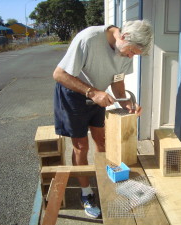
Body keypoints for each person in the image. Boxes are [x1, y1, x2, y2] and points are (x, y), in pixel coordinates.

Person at [53, 20, 153, 218]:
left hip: (98, 94)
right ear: (123, 37)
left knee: (101, 140)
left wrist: (127, 103)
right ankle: (86, 193)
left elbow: (117, 81)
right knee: (81, 146)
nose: (131, 57)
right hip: (73, 93)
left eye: (134, 55)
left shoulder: (126, 48)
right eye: (131, 52)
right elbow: (59, 74)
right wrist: (92, 93)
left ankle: (104, 182)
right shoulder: (89, 38)